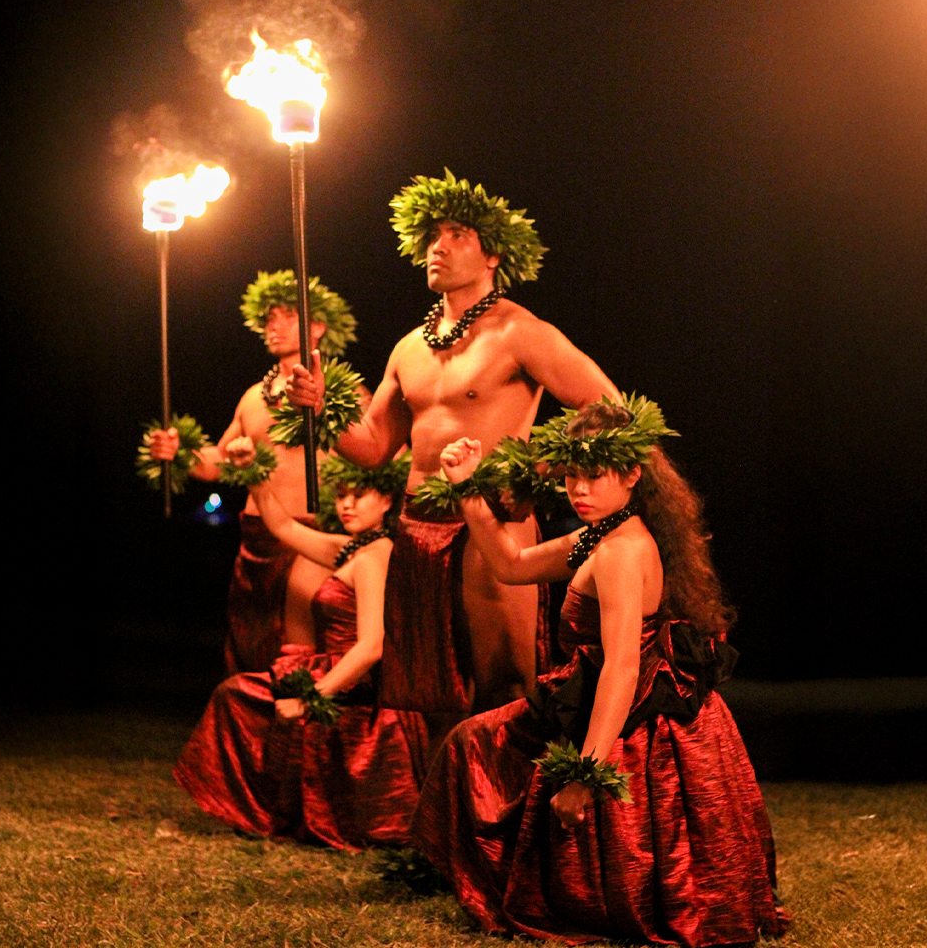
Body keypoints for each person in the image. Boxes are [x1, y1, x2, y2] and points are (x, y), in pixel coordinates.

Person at [410, 397, 789, 946]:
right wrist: (467, 484)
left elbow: (622, 668)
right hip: (595, 692)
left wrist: (587, 777)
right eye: (570, 479)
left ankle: (509, 878)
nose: (578, 491)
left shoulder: (620, 552)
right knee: (473, 741)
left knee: (475, 743)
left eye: (593, 477)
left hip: (631, 711)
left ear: (632, 474)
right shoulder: (603, 535)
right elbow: (511, 566)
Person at [287, 171, 617, 714]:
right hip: (416, 525)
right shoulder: (408, 349)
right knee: (424, 688)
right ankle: (438, 797)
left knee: (503, 684)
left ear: (492, 256)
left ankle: (509, 799)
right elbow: (372, 447)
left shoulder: (520, 332)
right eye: (434, 235)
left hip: (489, 521)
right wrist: (322, 410)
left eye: (458, 234)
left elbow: (607, 409)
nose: (438, 246)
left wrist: (533, 469)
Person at [174, 441, 429, 849]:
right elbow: (283, 527)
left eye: (358, 495)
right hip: (327, 671)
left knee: (237, 696)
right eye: (341, 495)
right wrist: (254, 471)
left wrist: (312, 699)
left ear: (385, 500)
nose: (346, 505)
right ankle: (263, 812)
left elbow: (372, 645)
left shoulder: (375, 555)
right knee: (237, 695)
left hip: (356, 686)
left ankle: (265, 812)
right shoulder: (352, 548)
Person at [149, 270, 359, 674]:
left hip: (310, 537)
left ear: (317, 327)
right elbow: (221, 462)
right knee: (251, 648)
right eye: (268, 318)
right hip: (255, 540)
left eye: (285, 315)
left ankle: (297, 734)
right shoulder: (253, 398)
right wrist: (180, 453)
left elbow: (375, 456)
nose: (274, 325)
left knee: (301, 652)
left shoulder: (340, 393)